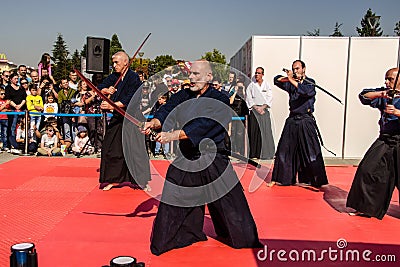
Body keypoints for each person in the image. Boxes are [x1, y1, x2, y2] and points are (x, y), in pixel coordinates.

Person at [144, 59, 261, 256]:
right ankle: (184, 234)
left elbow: (204, 125)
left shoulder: (220, 100)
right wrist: (155, 122)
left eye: (196, 74)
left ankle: (238, 236)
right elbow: (167, 109)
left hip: (213, 158)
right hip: (188, 157)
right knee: (174, 200)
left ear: (209, 77)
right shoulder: (184, 95)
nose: (191, 78)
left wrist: (172, 135)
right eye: (190, 74)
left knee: (231, 207)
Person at [346, 67, 400, 219]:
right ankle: (366, 208)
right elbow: (363, 96)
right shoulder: (385, 94)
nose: (387, 82)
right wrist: (382, 94)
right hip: (385, 139)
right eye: (386, 79)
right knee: (367, 170)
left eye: (390, 79)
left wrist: (397, 113)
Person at [270, 60, 328, 188]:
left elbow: (306, 92)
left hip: (306, 120)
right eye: (293, 69)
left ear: (304, 69)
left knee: (311, 151)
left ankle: (314, 180)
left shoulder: (310, 83)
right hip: (292, 119)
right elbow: (276, 80)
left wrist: (292, 80)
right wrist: (289, 77)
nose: (296, 71)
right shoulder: (290, 82)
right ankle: (283, 178)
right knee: (284, 149)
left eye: (297, 68)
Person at [98, 51, 151, 191]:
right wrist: (105, 91)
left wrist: (111, 105)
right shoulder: (113, 77)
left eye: (117, 62)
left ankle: (141, 181)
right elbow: (99, 88)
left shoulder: (133, 78)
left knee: (136, 149)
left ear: (126, 63)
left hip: (132, 117)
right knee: (111, 146)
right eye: (113, 62)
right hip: (118, 117)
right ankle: (113, 179)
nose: (114, 65)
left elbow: (131, 98)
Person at [245, 67, 275, 159]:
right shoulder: (251, 85)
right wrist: (255, 107)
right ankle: (255, 154)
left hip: (264, 110)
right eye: (256, 73)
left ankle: (267, 154)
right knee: (254, 132)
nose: (257, 75)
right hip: (255, 110)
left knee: (266, 132)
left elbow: (270, 97)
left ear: (262, 74)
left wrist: (263, 107)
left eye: (259, 73)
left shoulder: (266, 85)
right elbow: (248, 98)